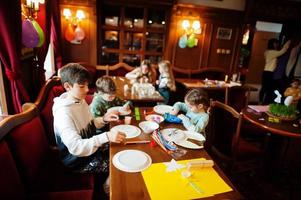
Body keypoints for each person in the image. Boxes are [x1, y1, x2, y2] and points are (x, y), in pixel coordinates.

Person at [52, 63, 126, 192]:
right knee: (118, 164)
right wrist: (106, 136)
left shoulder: (79, 100)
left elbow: (88, 124)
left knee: (122, 147)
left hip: (91, 149)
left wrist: (103, 119)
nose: (87, 89)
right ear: (67, 86)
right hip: (77, 161)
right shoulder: (63, 114)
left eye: (87, 85)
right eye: (82, 86)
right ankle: (107, 189)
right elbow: (76, 147)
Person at [259, 38, 290, 104]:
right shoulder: (271, 52)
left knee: (265, 88)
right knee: (266, 88)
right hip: (268, 73)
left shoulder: (268, 52)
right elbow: (282, 51)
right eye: (276, 43)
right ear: (273, 44)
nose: (277, 45)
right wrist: (288, 42)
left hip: (267, 72)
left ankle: (262, 102)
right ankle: (261, 102)